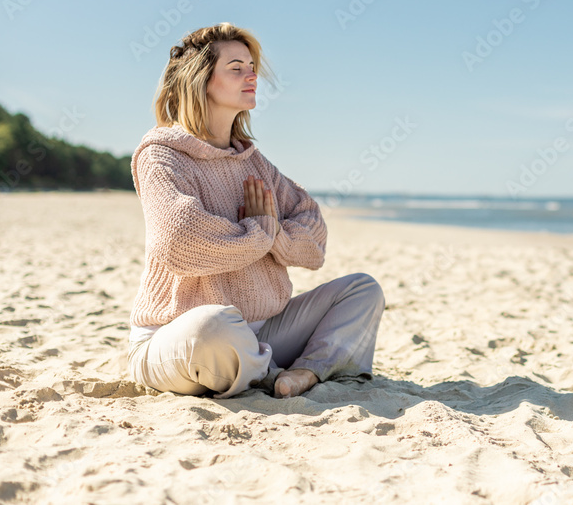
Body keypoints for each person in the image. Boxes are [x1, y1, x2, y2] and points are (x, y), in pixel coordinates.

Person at [126, 22, 385, 399]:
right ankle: (276, 371)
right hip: (179, 336)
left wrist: (273, 232)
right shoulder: (162, 156)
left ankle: (305, 371)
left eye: (251, 67)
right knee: (213, 326)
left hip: (263, 331)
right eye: (236, 68)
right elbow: (181, 242)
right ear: (199, 80)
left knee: (363, 289)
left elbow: (313, 237)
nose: (252, 76)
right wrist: (261, 232)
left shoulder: (252, 161)